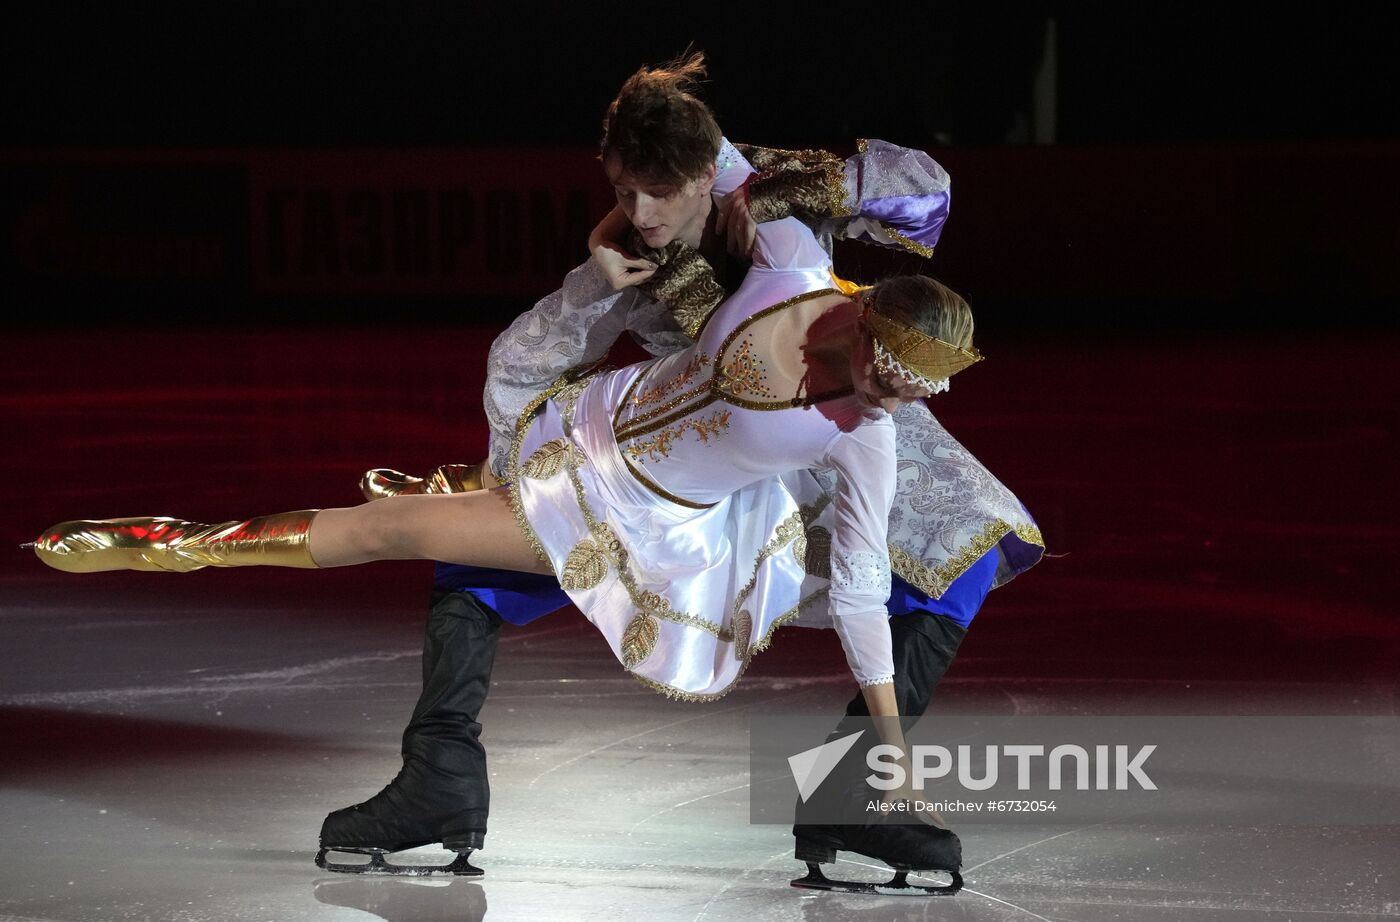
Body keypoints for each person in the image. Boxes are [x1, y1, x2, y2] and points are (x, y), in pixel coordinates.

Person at [35, 249, 981, 894]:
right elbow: (705, 166)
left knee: (396, 529)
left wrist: (889, 748)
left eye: (917, 390)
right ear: (860, 319)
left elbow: (858, 587)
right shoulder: (786, 271)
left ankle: (172, 542)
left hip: (638, 520)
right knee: (437, 542)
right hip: (583, 435)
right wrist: (616, 229)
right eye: (889, 370)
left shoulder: (871, 439)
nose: (893, 397)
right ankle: (439, 781)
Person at [334, 55, 1041, 887]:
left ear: (708, 171)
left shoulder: (769, 196)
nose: (640, 213)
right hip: (688, 459)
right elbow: (525, 370)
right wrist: (584, 291)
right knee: (491, 547)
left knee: (960, 549)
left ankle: (854, 793)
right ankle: (439, 776)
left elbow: (925, 190)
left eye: (658, 193)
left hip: (848, 418)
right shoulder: (633, 251)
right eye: (624, 192)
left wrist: (797, 189)